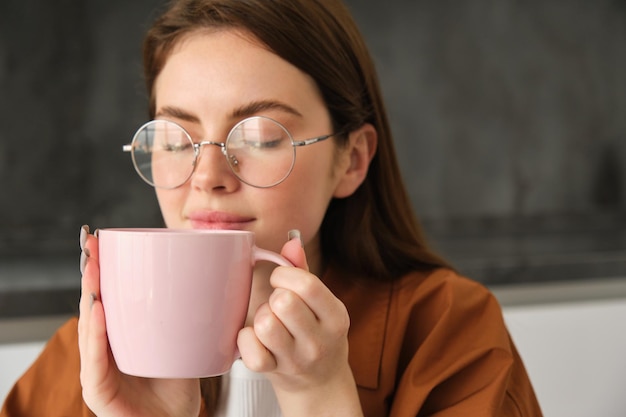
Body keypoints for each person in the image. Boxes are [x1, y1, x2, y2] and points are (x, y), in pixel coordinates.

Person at [1, 0, 543, 416]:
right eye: (175, 137)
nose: (207, 178)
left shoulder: (450, 330)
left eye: (260, 136)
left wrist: (322, 398)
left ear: (351, 161)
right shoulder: (95, 351)